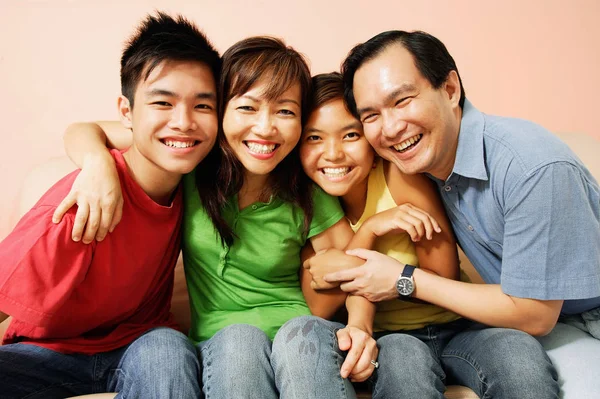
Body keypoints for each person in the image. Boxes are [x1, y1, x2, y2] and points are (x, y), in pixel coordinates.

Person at [54, 36, 411, 398]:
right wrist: (96, 163)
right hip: (224, 345)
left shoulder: (306, 190)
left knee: (302, 331)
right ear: (221, 111)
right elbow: (84, 130)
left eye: (285, 111)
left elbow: (355, 271)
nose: (266, 128)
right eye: (248, 108)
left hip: (302, 340)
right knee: (240, 340)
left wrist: (358, 328)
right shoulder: (190, 165)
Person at [309, 30, 600, 397]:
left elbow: (534, 314)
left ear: (450, 89)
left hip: (571, 316)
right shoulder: (421, 164)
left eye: (402, 100)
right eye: (372, 115)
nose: (391, 128)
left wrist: (402, 277)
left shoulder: (530, 165)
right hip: (547, 321)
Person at [0, 12, 221, 398]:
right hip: (47, 354)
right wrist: (98, 164)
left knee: (169, 350)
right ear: (127, 112)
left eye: (203, 106)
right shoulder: (81, 201)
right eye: (163, 103)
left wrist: (94, 154)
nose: (184, 122)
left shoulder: (198, 170)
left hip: (142, 346)